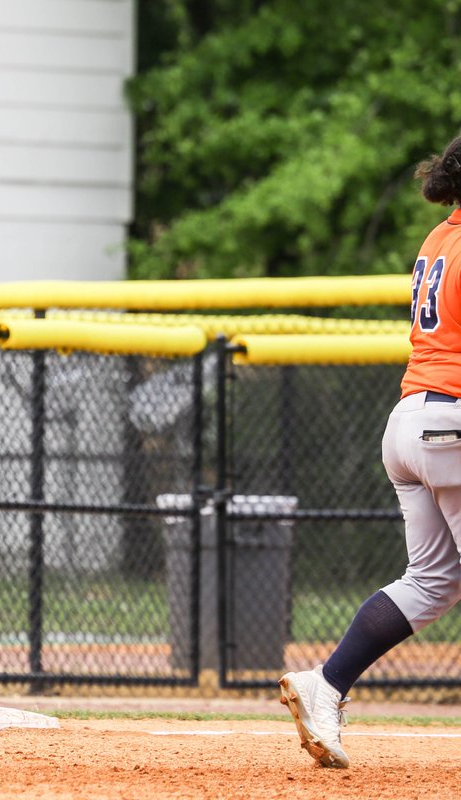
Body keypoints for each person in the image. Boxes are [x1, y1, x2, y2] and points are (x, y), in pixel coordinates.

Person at [279, 135, 461, 768]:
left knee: (432, 583)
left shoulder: (439, 237)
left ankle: (325, 685)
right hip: (450, 422)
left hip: (411, 421)